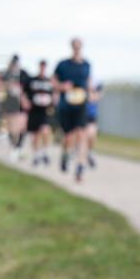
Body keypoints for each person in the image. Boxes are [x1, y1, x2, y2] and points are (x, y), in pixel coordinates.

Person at [53, 38, 93, 182]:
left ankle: (80, 167)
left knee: (82, 134)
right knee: (68, 137)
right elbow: (54, 82)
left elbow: (89, 82)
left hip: (81, 103)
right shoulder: (63, 64)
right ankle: (65, 154)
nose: (77, 48)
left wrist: (91, 93)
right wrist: (62, 86)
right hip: (66, 104)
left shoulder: (87, 65)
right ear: (71, 47)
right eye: (75, 46)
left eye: (79, 46)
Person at [23, 59, 55, 166]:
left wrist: (52, 103)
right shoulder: (32, 80)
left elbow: (53, 94)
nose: (43, 69)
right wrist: (25, 101)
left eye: (44, 67)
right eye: (41, 66)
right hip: (33, 110)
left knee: (45, 130)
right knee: (35, 134)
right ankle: (36, 155)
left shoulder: (49, 81)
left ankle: (44, 152)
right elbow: (24, 93)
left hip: (44, 110)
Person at [1, 55, 28, 161]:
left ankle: (18, 147)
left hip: (21, 104)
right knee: (11, 128)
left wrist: (25, 98)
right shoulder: (6, 74)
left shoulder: (23, 73)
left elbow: (28, 87)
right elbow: (1, 86)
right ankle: (14, 147)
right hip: (9, 104)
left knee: (22, 127)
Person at [85, 82, 103, 170]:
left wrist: (95, 91)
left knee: (92, 135)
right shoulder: (85, 93)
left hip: (92, 118)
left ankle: (90, 153)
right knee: (85, 136)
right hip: (83, 117)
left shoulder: (95, 94)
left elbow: (98, 96)